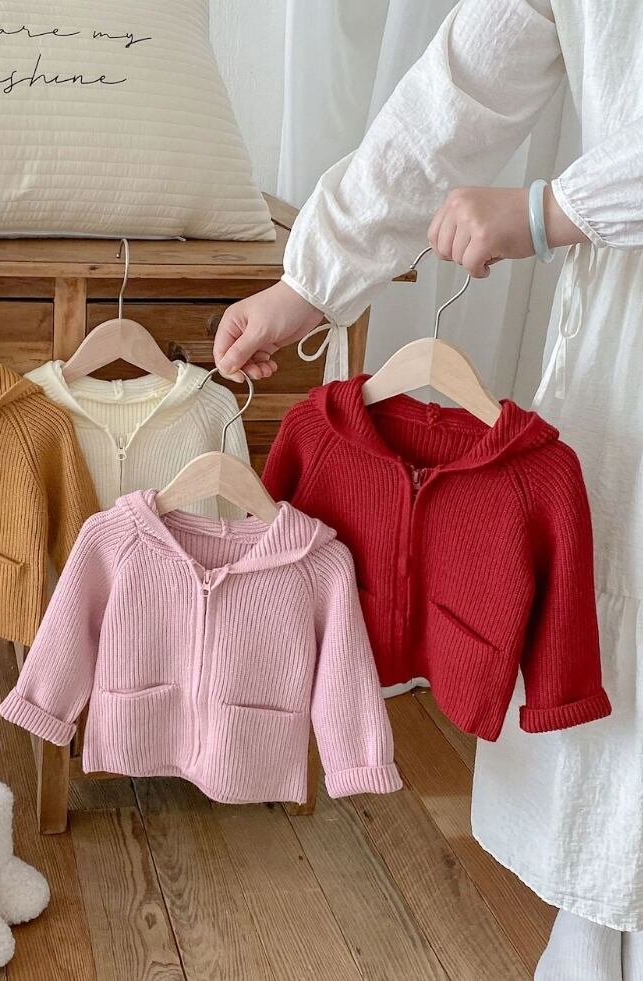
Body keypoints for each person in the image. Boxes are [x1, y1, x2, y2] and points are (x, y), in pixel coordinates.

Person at [214, 2, 643, 978]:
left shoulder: (523, 476)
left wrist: (547, 211)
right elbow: (456, 91)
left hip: (603, 252)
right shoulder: (328, 434)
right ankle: (597, 906)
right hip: (622, 315)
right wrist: (310, 282)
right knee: (615, 601)